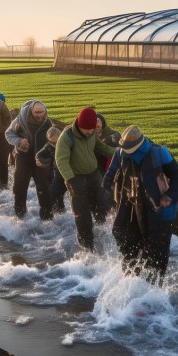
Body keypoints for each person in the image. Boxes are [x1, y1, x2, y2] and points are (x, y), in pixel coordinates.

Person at [102, 125, 178, 286]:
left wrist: (170, 196)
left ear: (139, 145)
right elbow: (110, 174)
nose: (126, 151)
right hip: (131, 206)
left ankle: (155, 289)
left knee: (157, 249)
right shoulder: (120, 153)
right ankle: (131, 281)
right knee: (124, 238)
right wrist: (107, 190)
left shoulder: (159, 153)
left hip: (157, 208)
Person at [55, 107, 115, 252]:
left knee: (103, 207)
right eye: (86, 130)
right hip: (76, 181)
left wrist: (120, 154)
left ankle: (103, 238)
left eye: (92, 130)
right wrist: (71, 181)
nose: (89, 133)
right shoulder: (67, 137)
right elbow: (61, 161)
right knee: (83, 218)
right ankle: (88, 251)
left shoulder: (92, 133)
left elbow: (102, 148)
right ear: (79, 125)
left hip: (94, 177)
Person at [5, 100, 53, 220]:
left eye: (42, 112)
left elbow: (53, 140)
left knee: (44, 188)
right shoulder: (20, 120)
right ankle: (20, 217)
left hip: (40, 158)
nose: (39, 115)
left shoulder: (47, 122)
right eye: (37, 112)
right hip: (23, 157)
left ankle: (47, 219)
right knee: (19, 187)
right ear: (31, 111)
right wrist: (19, 141)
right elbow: (8, 133)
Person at [36, 126, 66, 213]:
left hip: (73, 175)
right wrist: (48, 161)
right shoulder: (49, 146)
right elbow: (38, 155)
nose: (55, 145)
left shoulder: (69, 143)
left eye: (57, 142)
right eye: (52, 142)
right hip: (58, 176)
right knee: (50, 197)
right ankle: (50, 219)